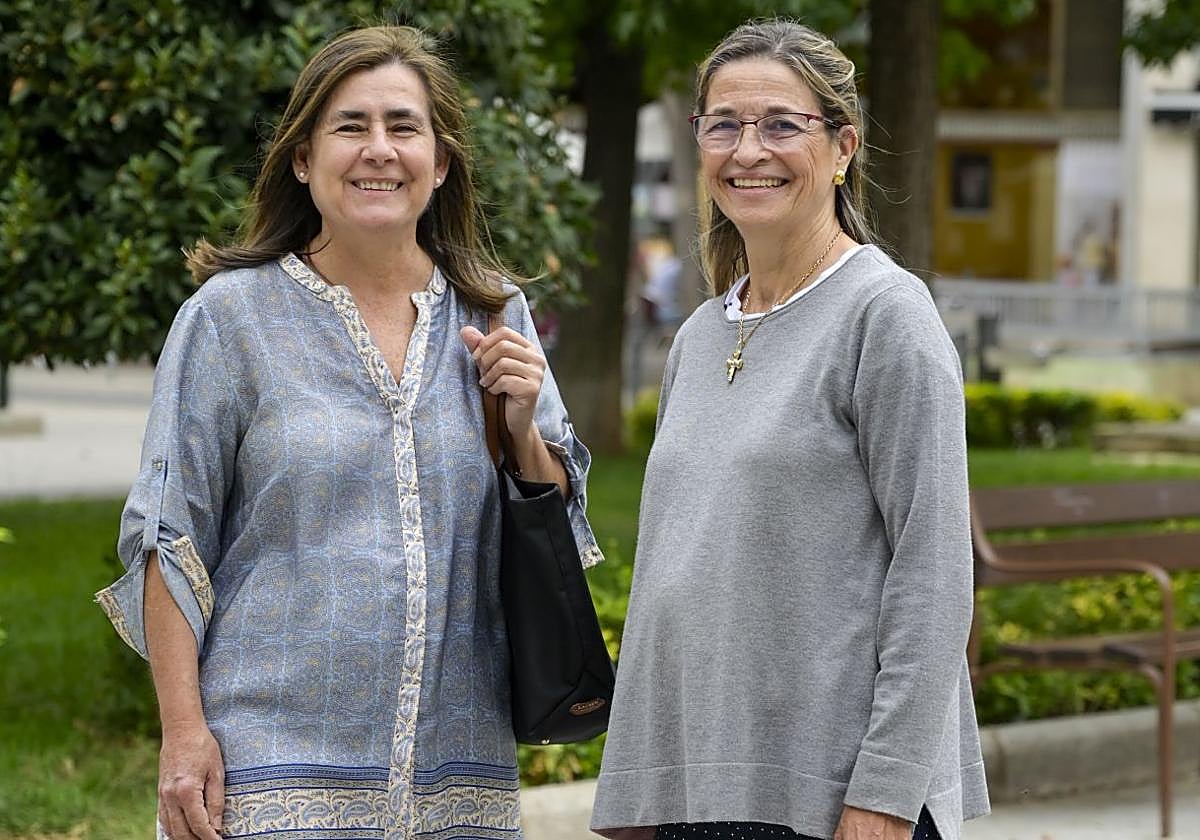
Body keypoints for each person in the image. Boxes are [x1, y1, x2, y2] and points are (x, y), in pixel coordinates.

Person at [94, 25, 602, 840]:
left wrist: (520, 431)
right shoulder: (228, 320)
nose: (379, 150)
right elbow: (169, 536)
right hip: (266, 773)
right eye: (350, 126)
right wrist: (183, 736)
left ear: (440, 162)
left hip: (459, 779)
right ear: (303, 158)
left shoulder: (493, 313)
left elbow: (555, 531)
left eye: (404, 127)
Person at [590, 19, 988, 840]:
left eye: (780, 124)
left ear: (842, 147)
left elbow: (934, 575)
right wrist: (634, 788)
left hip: (830, 796)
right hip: (697, 793)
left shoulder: (886, 316)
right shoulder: (699, 335)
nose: (748, 151)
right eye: (723, 125)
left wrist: (884, 796)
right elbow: (667, 578)